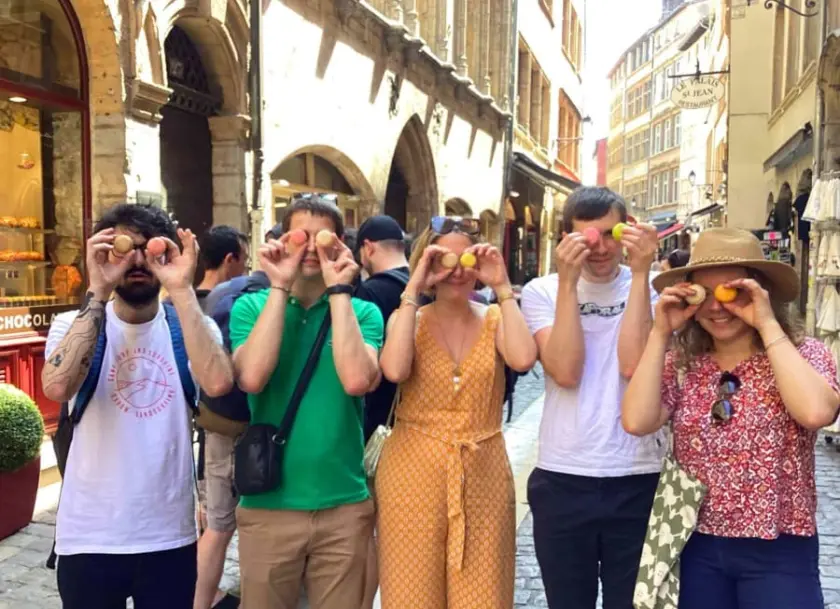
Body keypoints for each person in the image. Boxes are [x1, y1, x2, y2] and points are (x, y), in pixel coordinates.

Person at [622, 227, 840, 609]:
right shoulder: (683, 362)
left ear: (760, 291)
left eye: (732, 291)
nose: (717, 307)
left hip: (780, 544)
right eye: (703, 293)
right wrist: (659, 333)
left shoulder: (804, 354)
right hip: (696, 542)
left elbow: (816, 412)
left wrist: (767, 324)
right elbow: (637, 421)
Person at [42, 203, 233, 609]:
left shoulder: (191, 328)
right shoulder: (71, 325)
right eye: (124, 247)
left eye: (151, 249)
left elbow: (218, 383)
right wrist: (98, 289)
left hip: (170, 537)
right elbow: (57, 387)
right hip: (89, 537)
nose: (138, 260)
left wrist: (181, 288)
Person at [229, 194, 383, 608]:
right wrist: (279, 285)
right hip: (269, 504)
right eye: (301, 236)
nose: (313, 247)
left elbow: (357, 380)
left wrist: (339, 290)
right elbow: (252, 377)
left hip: (343, 504)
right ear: (281, 239)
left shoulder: (362, 313)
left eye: (324, 238)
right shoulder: (251, 307)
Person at [375, 216, 537, 608]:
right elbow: (394, 370)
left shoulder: (495, 319)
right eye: (442, 260)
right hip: (411, 471)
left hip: (483, 471)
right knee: (412, 593)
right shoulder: (407, 320)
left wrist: (502, 287)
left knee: (484, 593)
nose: (456, 270)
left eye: (466, 260)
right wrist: (413, 287)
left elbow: (522, 358)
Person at [519, 186, 663, 609]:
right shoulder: (543, 291)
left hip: (639, 473)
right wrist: (568, 284)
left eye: (610, 234)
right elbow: (566, 371)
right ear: (567, 238)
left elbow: (634, 365)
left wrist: (641, 275)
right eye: (586, 238)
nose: (599, 248)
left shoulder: (654, 288)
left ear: (627, 230)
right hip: (563, 475)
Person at [193, 225, 283, 609]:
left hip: (219, 427)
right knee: (256, 526)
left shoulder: (222, 294)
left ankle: (200, 602)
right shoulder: (270, 299)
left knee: (218, 526)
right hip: (260, 431)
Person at [354, 214, 410, 442]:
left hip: (381, 415)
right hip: (419, 410)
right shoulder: (426, 285)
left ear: (367, 248)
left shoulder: (370, 292)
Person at [194, 226, 250, 308]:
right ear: (230, 260)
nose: (246, 267)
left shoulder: (184, 303)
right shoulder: (237, 306)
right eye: (244, 259)